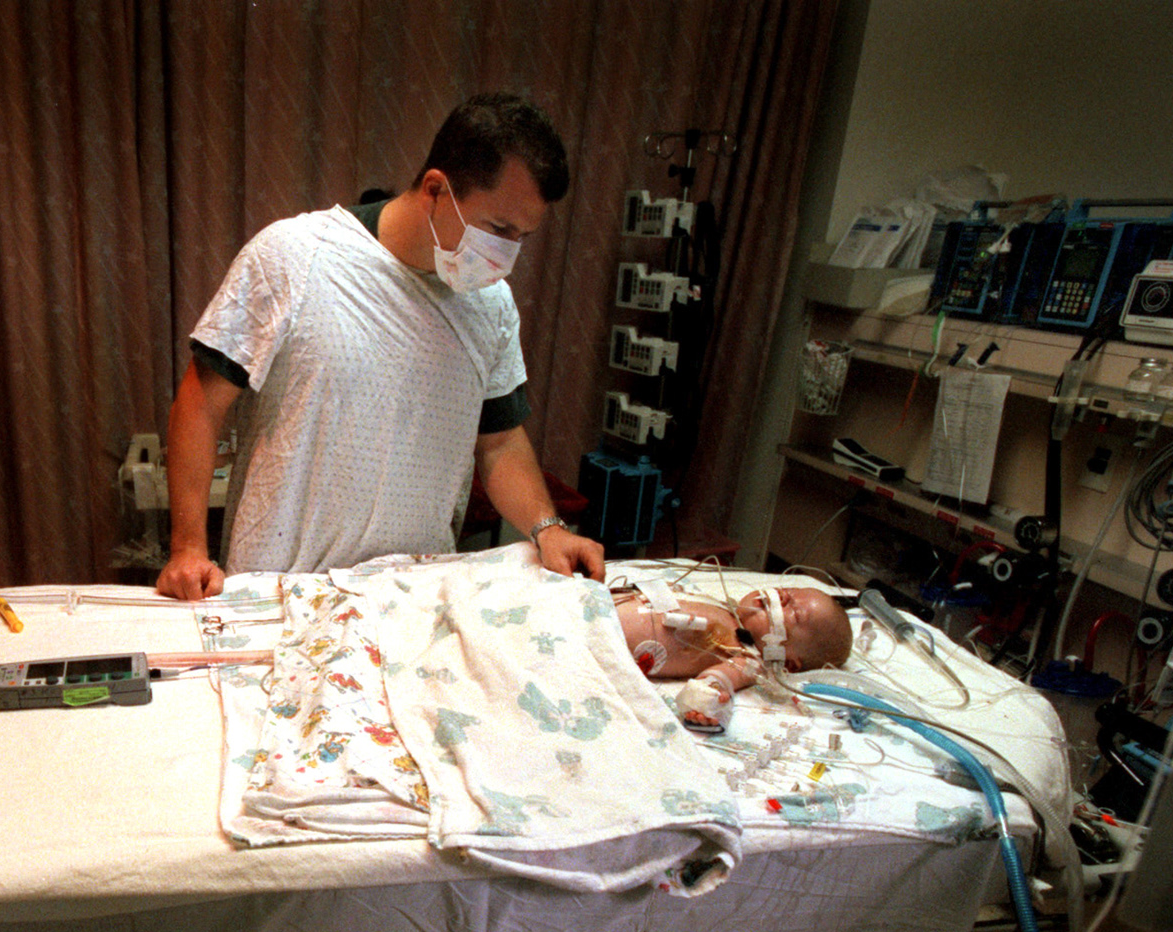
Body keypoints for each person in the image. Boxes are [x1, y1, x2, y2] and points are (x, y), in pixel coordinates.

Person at [156, 92, 604, 600]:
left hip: (415, 597)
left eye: (522, 237)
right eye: (498, 229)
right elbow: (199, 402)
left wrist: (549, 528)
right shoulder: (296, 257)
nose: (505, 256)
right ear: (436, 189)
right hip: (281, 588)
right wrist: (188, 548)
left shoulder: (491, 306)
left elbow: (499, 440)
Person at [610, 584, 853, 732]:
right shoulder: (723, 608)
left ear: (787, 661)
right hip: (596, 600)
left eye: (795, 613)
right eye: (790, 591)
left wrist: (710, 702)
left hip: (605, 636)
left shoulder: (747, 658)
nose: (783, 597)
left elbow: (719, 680)